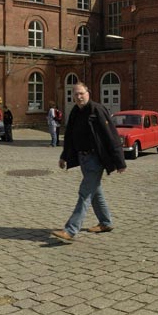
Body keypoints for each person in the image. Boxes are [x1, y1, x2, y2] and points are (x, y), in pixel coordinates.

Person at [49, 83, 126, 243]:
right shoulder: (75, 112)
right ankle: (106, 222)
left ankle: (70, 230)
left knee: (85, 193)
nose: (79, 97)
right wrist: (64, 156)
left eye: (81, 93)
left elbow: (111, 134)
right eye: (76, 94)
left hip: (96, 159)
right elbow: (69, 136)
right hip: (83, 158)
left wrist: (120, 161)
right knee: (95, 191)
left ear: (88, 93)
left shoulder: (97, 110)